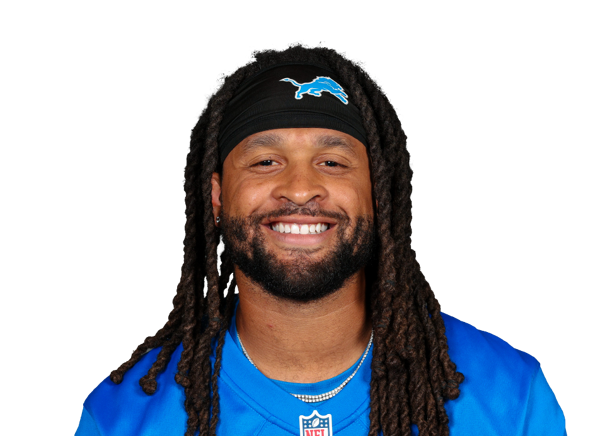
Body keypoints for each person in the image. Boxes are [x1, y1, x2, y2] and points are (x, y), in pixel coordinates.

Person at [74, 43, 566, 436]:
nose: (299, 188)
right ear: (217, 197)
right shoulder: (120, 418)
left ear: (379, 194)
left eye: (332, 162)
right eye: (265, 161)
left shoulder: (512, 397)